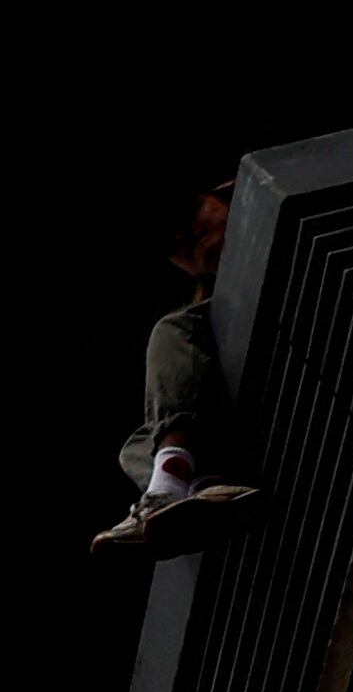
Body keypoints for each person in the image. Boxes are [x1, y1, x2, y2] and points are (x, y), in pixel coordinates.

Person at [94, 178, 262, 550]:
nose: (184, 235)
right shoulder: (207, 321)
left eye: (187, 213)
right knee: (138, 445)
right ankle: (203, 492)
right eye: (170, 243)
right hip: (245, 419)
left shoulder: (277, 213)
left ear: (221, 193)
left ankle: (168, 488)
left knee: (171, 329)